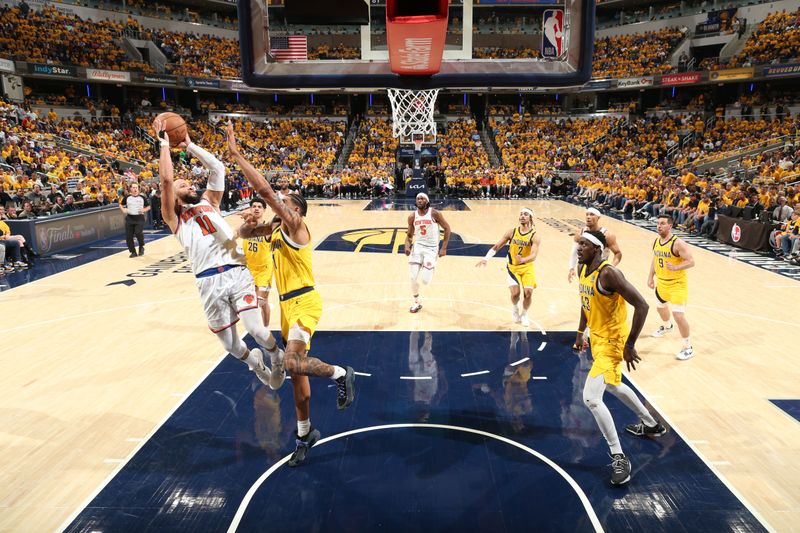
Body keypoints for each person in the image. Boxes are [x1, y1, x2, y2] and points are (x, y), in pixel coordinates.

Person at [226, 121, 356, 467]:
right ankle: (304, 434)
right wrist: (249, 220)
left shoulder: (297, 226)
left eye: (283, 203)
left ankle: (342, 375)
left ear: (294, 209)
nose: (275, 204)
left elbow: (266, 192)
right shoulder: (275, 228)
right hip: (287, 307)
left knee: (291, 363)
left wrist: (237, 155)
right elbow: (242, 231)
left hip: (304, 302)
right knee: (296, 378)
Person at [152, 116, 286, 413]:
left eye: (188, 182)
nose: (189, 185)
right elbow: (165, 180)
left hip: (237, 272)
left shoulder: (210, 202)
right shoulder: (173, 219)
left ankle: (276, 357)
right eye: (183, 184)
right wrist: (163, 143)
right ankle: (255, 363)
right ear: (173, 195)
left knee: (258, 330)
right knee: (230, 346)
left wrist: (189, 145)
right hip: (208, 282)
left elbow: (218, 168)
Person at [574, 231, 665, 486]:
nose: (579, 248)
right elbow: (586, 302)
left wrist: (630, 344)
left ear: (598, 249)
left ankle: (619, 457)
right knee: (613, 384)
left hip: (613, 342)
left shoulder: (609, 273)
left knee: (591, 398)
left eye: (584, 244)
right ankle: (651, 424)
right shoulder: (583, 269)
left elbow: (642, 305)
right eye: (579, 243)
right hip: (598, 339)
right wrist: (581, 332)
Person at [476, 207, 541, 327]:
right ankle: (515, 308)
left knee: (528, 293)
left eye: (525, 214)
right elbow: (497, 246)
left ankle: (525, 314)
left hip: (527, 267)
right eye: (521, 214)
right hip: (513, 267)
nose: (522, 216)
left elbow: (534, 255)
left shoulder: (535, 235)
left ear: (530, 218)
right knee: (515, 294)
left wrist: (523, 260)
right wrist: (486, 258)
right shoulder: (512, 232)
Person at [649, 214, 696, 360]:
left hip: (677, 284)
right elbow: (655, 259)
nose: (659, 226)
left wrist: (676, 267)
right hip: (661, 283)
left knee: (678, 315)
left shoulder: (678, 243)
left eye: (662, 223)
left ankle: (688, 347)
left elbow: (691, 261)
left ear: (670, 226)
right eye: (658, 223)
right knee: (660, 308)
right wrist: (650, 276)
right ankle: (667, 326)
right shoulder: (657, 241)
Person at [404, 192, 451, 313]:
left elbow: (447, 228)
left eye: (422, 198)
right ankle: (416, 302)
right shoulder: (412, 216)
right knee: (412, 277)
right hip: (418, 247)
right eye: (418, 198)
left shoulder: (434, 213)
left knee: (425, 281)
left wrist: (444, 248)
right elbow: (409, 235)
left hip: (431, 249)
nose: (419, 200)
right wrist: (407, 246)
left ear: (427, 201)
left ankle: (430, 266)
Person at [238, 197, 278, 328]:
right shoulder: (245, 228)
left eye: (259, 206)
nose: (256, 208)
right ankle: (265, 329)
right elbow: (232, 235)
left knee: (259, 302)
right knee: (264, 302)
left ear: (264, 210)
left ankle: (262, 330)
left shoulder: (267, 229)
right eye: (253, 206)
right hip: (248, 269)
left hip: (264, 269)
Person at [568, 207, 622, 283]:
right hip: (584, 269)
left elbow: (618, 253)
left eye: (592, 214)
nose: (588, 217)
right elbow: (574, 252)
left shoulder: (607, 235)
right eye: (587, 214)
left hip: (600, 269)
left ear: (598, 218)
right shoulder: (579, 233)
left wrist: (611, 267)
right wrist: (571, 268)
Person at [119, 182, 150, 257]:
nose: (135, 189)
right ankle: (133, 252)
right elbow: (120, 204)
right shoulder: (127, 197)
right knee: (129, 236)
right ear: (130, 188)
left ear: (138, 189)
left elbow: (148, 206)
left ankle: (141, 246)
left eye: (136, 187)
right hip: (130, 218)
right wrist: (123, 210)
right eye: (133, 187)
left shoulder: (142, 197)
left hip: (139, 218)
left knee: (138, 233)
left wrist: (144, 210)